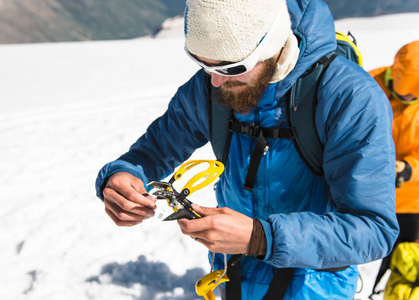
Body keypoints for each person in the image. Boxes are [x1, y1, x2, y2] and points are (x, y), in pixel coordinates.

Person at [95, 0, 399, 298]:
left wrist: (261, 238)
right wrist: (122, 175)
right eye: (202, 64)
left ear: (272, 44)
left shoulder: (349, 97)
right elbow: (156, 148)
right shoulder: (212, 84)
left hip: (315, 287)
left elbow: (373, 229)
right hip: (233, 279)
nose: (214, 82)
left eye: (230, 67)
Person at [369, 40, 419, 296]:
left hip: (412, 202)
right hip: (371, 195)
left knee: (409, 265)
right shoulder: (367, 85)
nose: (410, 98)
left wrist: (409, 168)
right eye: (406, 93)